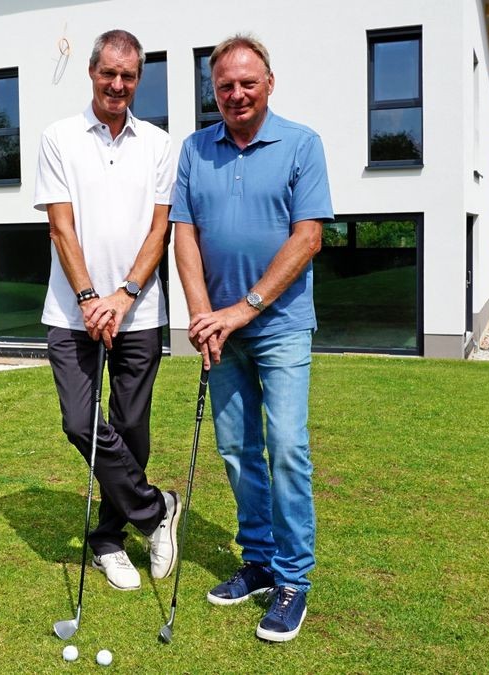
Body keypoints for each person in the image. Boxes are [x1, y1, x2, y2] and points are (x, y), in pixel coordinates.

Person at [171, 34, 333, 642]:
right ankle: (260, 562)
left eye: (247, 83)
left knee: (287, 448)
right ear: (212, 91)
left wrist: (242, 309)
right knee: (238, 453)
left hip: (280, 327)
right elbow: (182, 236)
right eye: (224, 86)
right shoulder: (194, 148)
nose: (235, 95)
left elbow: (308, 238)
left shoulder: (301, 144)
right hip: (220, 330)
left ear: (269, 83)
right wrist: (200, 315)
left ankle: (293, 579)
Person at [33, 29, 180, 592]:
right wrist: (92, 298)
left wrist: (124, 295)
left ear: (138, 79)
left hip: (139, 313)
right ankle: (157, 509)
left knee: (132, 427)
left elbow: (159, 228)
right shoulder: (59, 137)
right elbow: (60, 226)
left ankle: (109, 539)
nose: (117, 84)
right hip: (72, 315)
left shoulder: (160, 144)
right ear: (91, 72)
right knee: (79, 421)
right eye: (108, 73)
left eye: (128, 75)